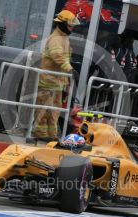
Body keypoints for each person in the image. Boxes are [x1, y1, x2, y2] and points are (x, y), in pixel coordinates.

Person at [33, 10, 80, 141]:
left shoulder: (64, 38)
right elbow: (57, 56)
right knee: (44, 110)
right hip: (47, 83)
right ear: (63, 24)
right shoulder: (56, 38)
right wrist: (70, 70)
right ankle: (40, 134)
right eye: (70, 25)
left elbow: (62, 60)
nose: (73, 28)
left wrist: (66, 84)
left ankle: (51, 136)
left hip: (57, 84)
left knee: (54, 111)